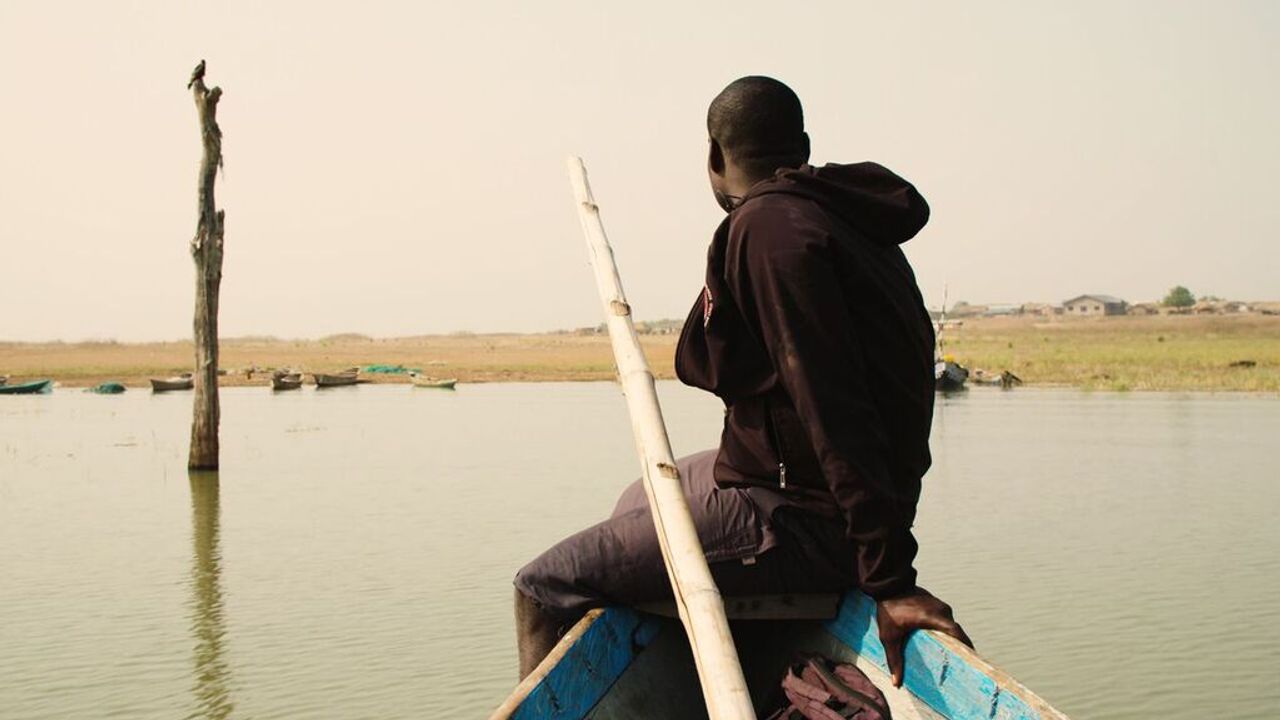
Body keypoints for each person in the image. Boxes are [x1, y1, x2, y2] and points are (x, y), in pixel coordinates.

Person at [514, 75, 971, 687]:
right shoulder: (827, 218)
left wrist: (890, 580)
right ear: (802, 148)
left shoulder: (771, 234)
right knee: (641, 496)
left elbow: (835, 411)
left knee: (542, 586)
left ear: (713, 155)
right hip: (789, 484)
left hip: (806, 519)